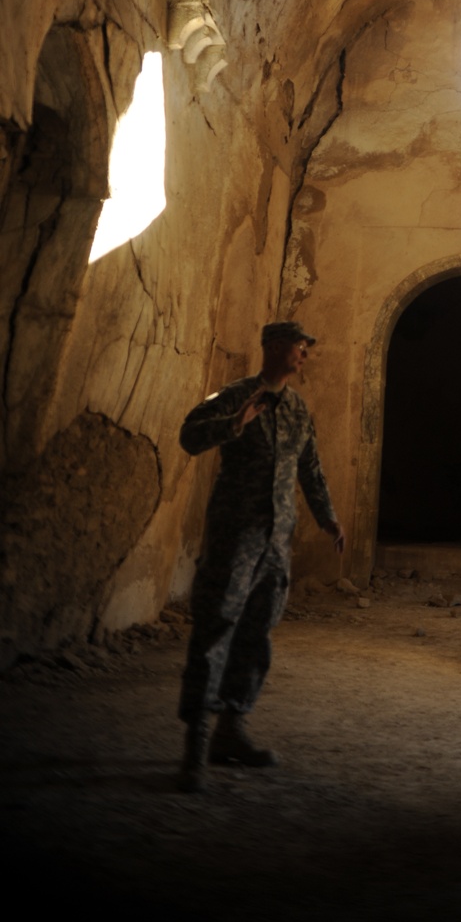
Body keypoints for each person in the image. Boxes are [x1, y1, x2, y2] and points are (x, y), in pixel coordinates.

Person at [176, 320, 345, 792]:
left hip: (276, 541)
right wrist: (234, 424)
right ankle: (197, 741)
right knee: (215, 629)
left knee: (256, 634)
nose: (304, 354)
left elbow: (310, 467)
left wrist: (328, 517)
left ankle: (231, 729)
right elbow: (189, 437)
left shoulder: (296, 408)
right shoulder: (236, 394)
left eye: (307, 348)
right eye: (299, 345)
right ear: (273, 347)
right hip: (236, 535)